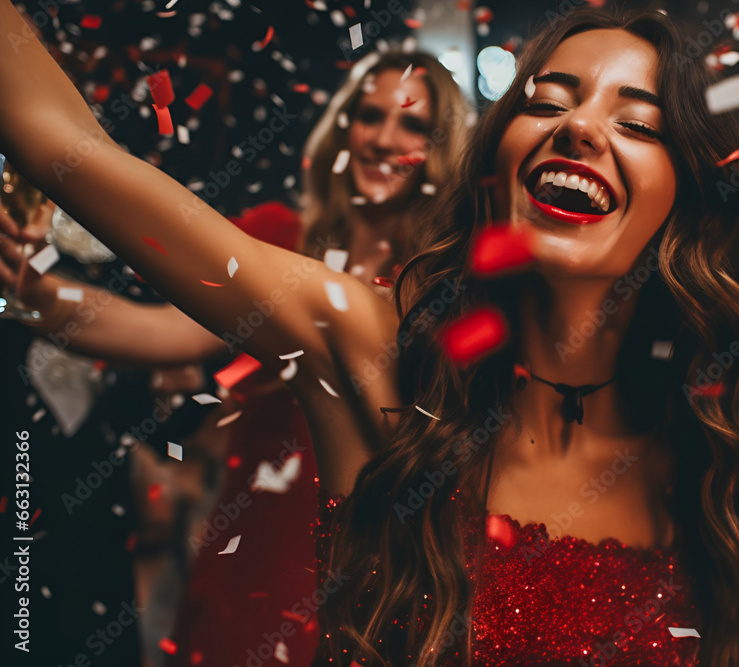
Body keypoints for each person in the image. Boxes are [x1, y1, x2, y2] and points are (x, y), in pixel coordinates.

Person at [0, 3, 739, 665]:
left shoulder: (707, 451)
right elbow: (57, 142)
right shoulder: (376, 351)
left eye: (636, 122)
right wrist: (36, 294)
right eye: (547, 102)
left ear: (688, 201)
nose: (577, 128)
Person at [0, 45, 468, 665]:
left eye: (412, 123)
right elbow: (157, 333)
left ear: (444, 147)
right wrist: (28, 290)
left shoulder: (440, 296)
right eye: (368, 114)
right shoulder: (277, 240)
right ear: (344, 126)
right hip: (258, 536)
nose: (384, 138)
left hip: (376, 559)